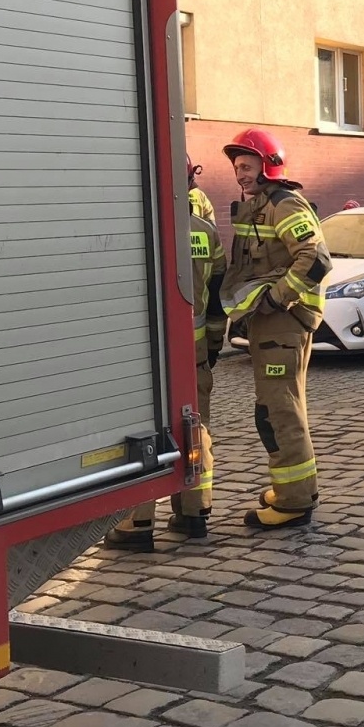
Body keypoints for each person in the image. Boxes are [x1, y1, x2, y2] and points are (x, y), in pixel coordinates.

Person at [106, 157, 225, 549]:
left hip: (149, 359)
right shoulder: (207, 232)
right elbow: (217, 296)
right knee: (196, 427)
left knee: (141, 433)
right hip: (194, 354)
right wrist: (212, 345)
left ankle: (137, 522)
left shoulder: (144, 229)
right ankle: (194, 512)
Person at [220, 129, 333, 529]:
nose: (240, 174)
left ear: (268, 165)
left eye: (247, 166)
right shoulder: (261, 206)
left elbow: (316, 259)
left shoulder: (285, 204)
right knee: (279, 408)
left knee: (278, 411)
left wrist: (276, 298)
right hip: (272, 325)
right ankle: (296, 489)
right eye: (236, 167)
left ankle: (293, 502)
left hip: (283, 322)